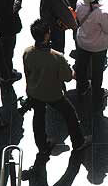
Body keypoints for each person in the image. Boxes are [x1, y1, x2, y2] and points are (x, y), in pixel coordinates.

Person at [23, 19, 91, 154]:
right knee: (70, 114)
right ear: (47, 35)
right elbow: (66, 77)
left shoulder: (27, 52)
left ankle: (42, 147)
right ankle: (78, 142)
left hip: (34, 92)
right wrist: (72, 72)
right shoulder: (56, 56)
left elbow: (28, 72)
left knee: (38, 118)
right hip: (53, 93)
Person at [74, 0, 108, 110]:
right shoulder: (102, 12)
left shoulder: (79, 4)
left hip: (82, 43)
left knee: (82, 67)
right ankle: (97, 94)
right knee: (97, 71)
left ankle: (81, 89)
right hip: (98, 47)